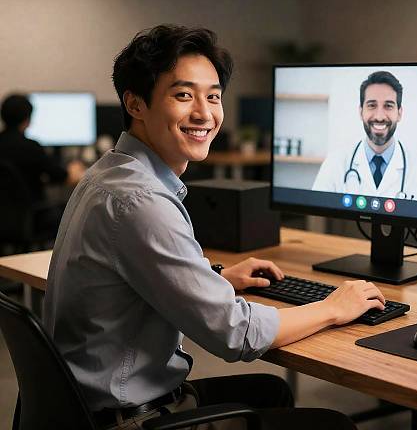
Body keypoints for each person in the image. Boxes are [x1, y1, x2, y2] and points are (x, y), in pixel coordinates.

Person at [43, 25, 386, 430]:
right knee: (333, 425)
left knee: (270, 393)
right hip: (131, 419)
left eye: (214, 96)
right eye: (183, 95)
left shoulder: (110, 173)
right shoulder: (142, 201)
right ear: (135, 103)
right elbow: (236, 334)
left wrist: (215, 277)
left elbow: (137, 271)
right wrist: (331, 308)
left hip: (82, 406)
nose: (205, 113)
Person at [312, 71, 417, 203]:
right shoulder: (335, 163)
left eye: (388, 106)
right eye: (372, 105)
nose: (379, 116)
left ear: (399, 113)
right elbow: (316, 213)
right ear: (361, 112)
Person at [0, 94, 85, 237]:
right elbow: (62, 177)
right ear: (28, 119)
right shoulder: (31, 147)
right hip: (30, 217)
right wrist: (74, 169)